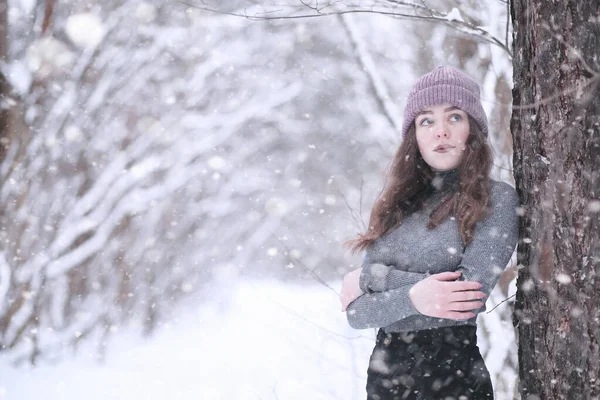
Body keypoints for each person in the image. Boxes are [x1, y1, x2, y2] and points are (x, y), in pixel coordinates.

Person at [340, 65, 519, 400]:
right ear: (415, 136)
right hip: (386, 378)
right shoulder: (395, 205)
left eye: (454, 117)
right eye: (427, 121)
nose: (441, 132)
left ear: (473, 130)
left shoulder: (496, 199)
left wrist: (375, 279)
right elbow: (358, 313)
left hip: (454, 376)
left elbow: (467, 297)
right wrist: (414, 296)